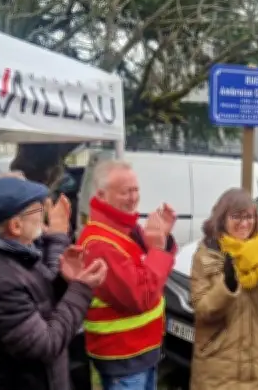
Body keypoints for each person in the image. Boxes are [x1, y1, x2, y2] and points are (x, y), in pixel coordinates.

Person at [0, 177, 108, 390]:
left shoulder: (15, 251)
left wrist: (64, 280)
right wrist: (81, 290)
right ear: (16, 226)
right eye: (37, 211)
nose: (43, 215)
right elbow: (45, 346)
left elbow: (38, 302)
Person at [77, 160, 177, 390]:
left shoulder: (124, 227)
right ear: (102, 195)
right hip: (122, 355)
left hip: (140, 350)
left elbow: (155, 274)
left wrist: (163, 238)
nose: (133, 198)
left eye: (136, 190)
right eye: (125, 192)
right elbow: (141, 296)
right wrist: (158, 249)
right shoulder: (99, 242)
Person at [189, 188, 258, 390]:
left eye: (249, 217)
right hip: (217, 367)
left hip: (256, 368)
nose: (244, 223)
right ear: (222, 218)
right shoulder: (207, 255)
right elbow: (203, 310)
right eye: (236, 217)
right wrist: (227, 286)